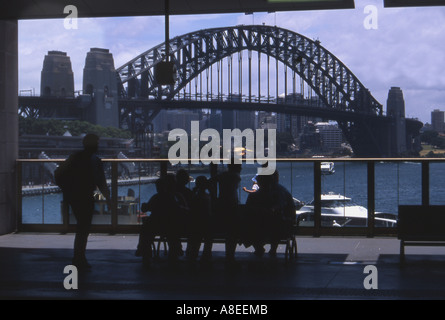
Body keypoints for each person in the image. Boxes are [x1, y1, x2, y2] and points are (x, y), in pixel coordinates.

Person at [61, 133, 111, 270]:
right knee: (84, 228)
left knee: (81, 228)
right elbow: (102, 183)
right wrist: (108, 199)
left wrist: (67, 191)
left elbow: (59, 174)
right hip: (86, 197)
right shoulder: (96, 161)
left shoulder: (74, 158)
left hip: (75, 197)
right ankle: (79, 257)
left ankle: (78, 257)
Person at [136, 174, 187, 265]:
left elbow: (146, 208)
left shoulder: (157, 197)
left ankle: (144, 252)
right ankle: (175, 252)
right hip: (171, 225)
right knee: (173, 235)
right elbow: (183, 209)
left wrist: (145, 206)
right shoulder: (175, 197)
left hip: (157, 225)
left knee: (145, 230)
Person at [214, 163, 242, 262]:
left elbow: (213, 180)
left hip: (222, 205)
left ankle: (229, 255)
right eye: (239, 167)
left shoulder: (222, 176)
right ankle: (230, 255)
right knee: (232, 233)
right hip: (232, 206)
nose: (241, 168)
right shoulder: (235, 177)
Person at [186, 176, 213, 261]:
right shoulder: (208, 197)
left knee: (195, 243)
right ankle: (206, 256)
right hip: (206, 223)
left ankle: (193, 257)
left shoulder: (194, 196)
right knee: (208, 240)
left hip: (195, 223)